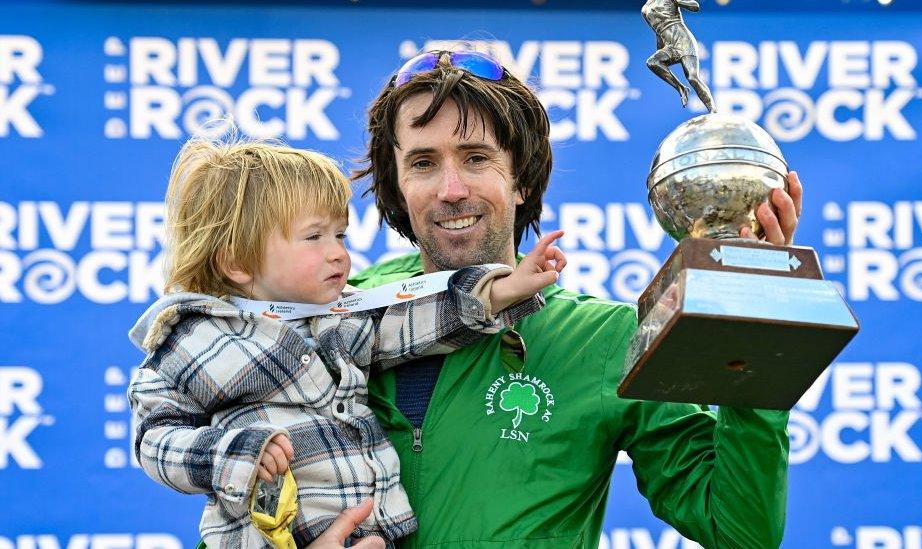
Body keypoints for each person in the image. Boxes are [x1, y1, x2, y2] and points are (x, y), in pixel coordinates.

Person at [330, 49, 803, 548]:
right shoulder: (341, 315)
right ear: (398, 184)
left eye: (476, 158)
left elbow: (740, 532)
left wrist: (753, 314)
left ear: (522, 179)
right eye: (423, 163)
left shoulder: (604, 340)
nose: (451, 189)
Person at [126, 136, 566, 547]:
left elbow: (415, 325)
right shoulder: (188, 338)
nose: (339, 253)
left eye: (339, 235)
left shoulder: (345, 312)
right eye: (314, 237)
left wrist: (503, 290)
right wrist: (230, 454)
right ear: (238, 262)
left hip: (376, 529)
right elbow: (153, 440)